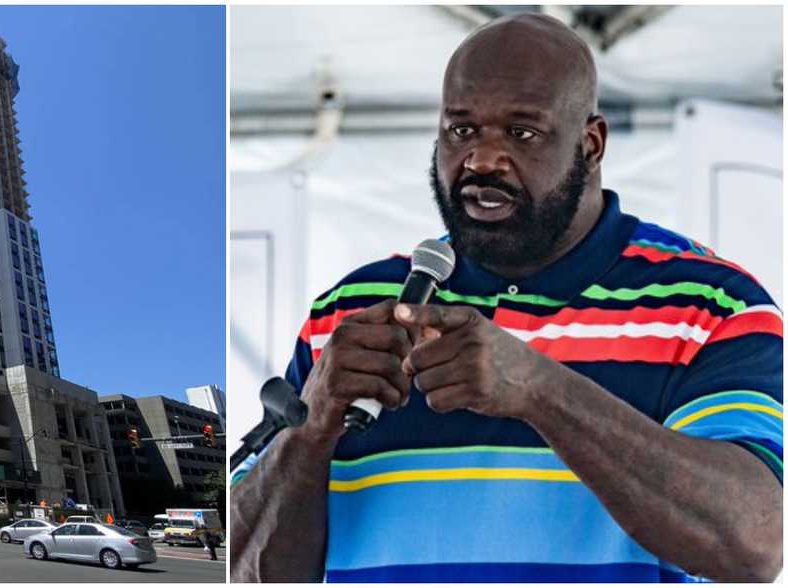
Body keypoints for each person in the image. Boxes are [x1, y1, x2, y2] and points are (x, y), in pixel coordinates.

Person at [229, 13, 782, 583]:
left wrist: (541, 390)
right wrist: (310, 429)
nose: (482, 160)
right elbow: (246, 570)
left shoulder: (712, 303)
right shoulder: (348, 311)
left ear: (591, 144)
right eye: (460, 130)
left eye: (522, 133)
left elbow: (752, 545)